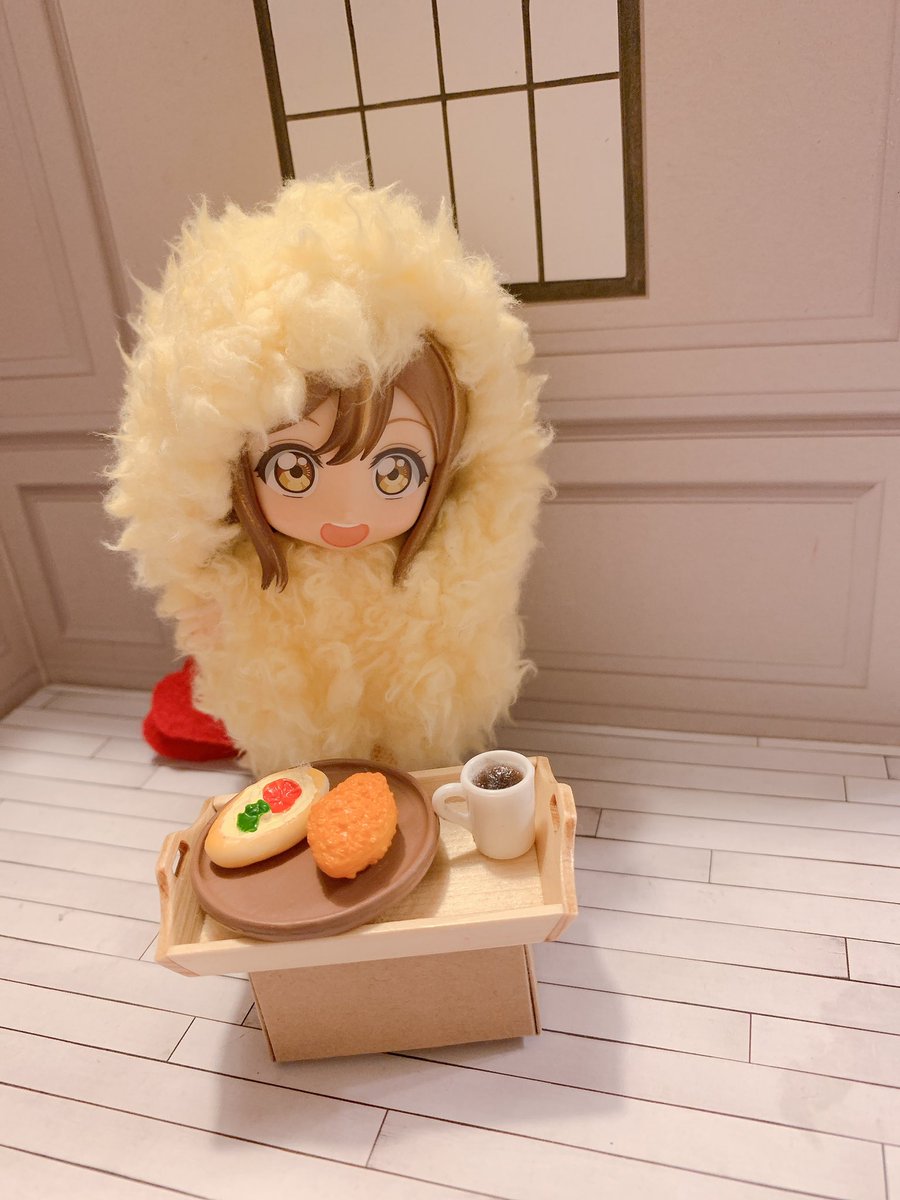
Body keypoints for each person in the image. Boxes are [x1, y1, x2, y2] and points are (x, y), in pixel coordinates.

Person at [106, 177, 550, 774]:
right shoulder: (247, 581)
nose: (347, 513)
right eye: (294, 469)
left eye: (394, 471)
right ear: (223, 471)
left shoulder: (445, 580)